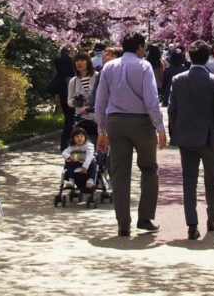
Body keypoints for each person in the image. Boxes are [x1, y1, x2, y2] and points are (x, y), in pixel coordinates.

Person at [94, 31, 167, 236]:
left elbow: (100, 101)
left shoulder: (108, 67)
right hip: (141, 122)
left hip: (115, 123)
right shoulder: (144, 66)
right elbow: (151, 99)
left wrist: (101, 130)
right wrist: (160, 127)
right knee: (149, 168)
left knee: (120, 173)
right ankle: (144, 218)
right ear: (140, 47)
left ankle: (123, 224)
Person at [168, 40, 214, 240]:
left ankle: (192, 224)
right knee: (211, 180)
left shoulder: (178, 80)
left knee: (189, 181)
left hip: (186, 137)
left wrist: (174, 133)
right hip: (209, 137)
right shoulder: (213, 81)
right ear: (207, 58)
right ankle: (212, 217)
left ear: (190, 57)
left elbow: (172, 110)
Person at [67, 50, 97, 139]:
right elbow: (69, 102)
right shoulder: (73, 81)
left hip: (96, 118)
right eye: (77, 61)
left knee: (97, 147)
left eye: (82, 60)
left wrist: (90, 107)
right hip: (81, 119)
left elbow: (103, 97)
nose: (79, 63)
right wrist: (74, 100)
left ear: (88, 62)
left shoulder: (97, 77)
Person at [53, 43, 77, 150]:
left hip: (63, 90)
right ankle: (67, 142)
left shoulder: (58, 61)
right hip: (70, 91)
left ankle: (65, 142)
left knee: (68, 117)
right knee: (70, 118)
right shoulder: (69, 61)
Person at [61, 124, 98, 191]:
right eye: (77, 137)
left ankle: (90, 179)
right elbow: (64, 152)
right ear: (73, 139)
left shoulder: (89, 145)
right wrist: (69, 157)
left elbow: (89, 156)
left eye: (81, 136)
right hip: (77, 162)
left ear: (85, 137)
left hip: (88, 163)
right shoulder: (72, 146)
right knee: (70, 163)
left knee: (93, 163)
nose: (79, 138)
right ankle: (71, 179)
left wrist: (85, 166)